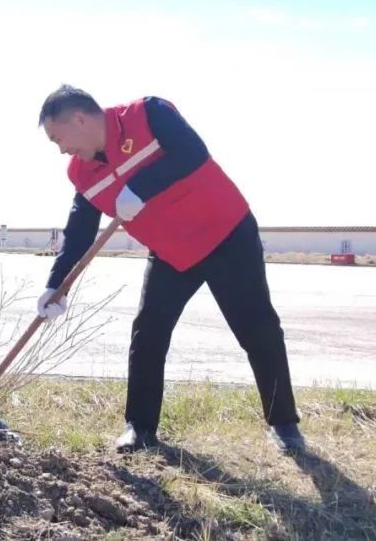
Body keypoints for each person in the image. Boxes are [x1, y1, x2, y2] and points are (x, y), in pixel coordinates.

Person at [36, 85, 304, 453]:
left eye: (58, 138)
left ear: (79, 118)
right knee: (148, 334)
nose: (62, 149)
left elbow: (191, 152)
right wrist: (55, 286)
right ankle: (139, 428)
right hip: (172, 252)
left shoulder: (148, 114)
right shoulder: (81, 172)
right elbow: (80, 230)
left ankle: (284, 423)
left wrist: (139, 187)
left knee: (257, 327)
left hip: (225, 233)